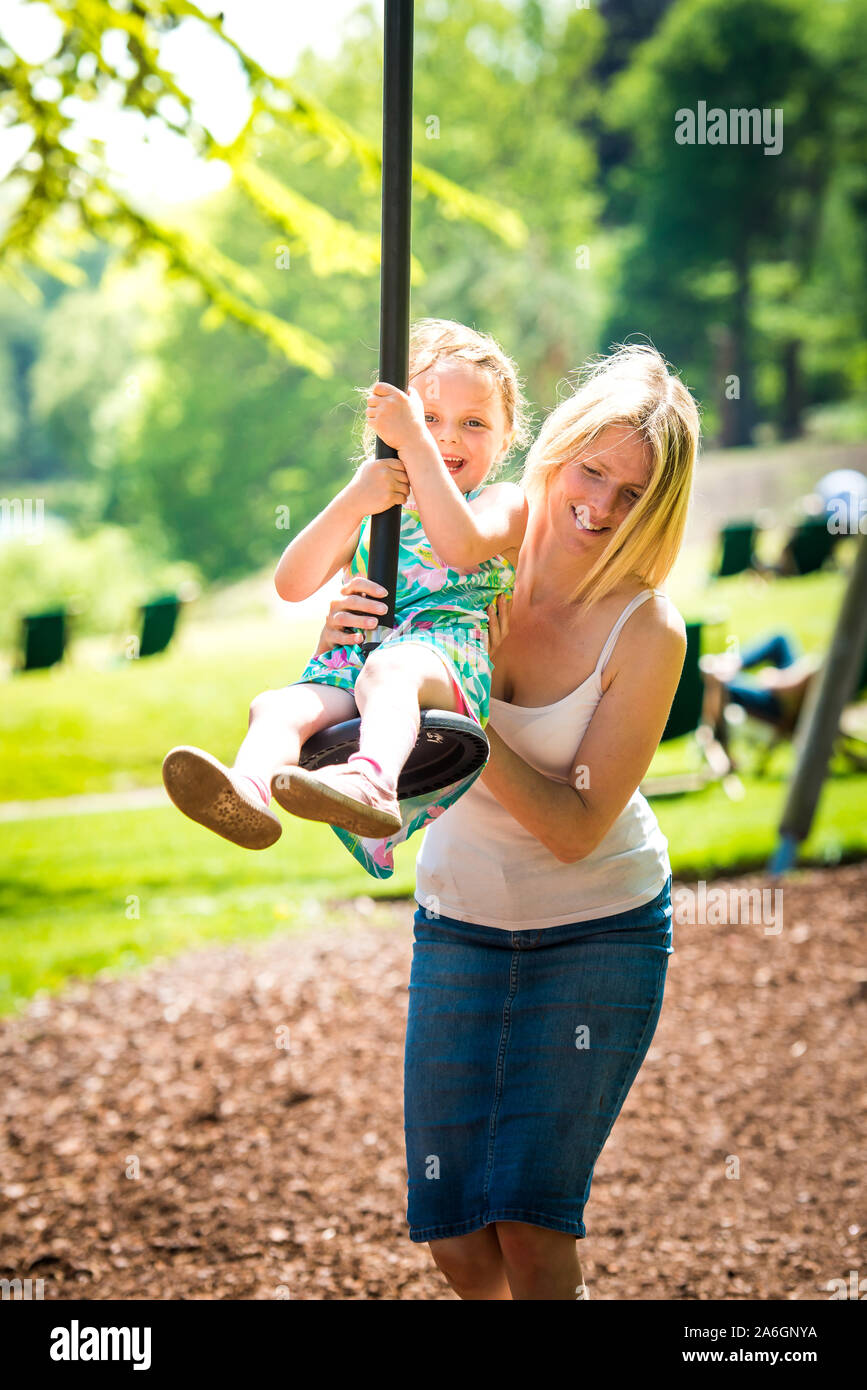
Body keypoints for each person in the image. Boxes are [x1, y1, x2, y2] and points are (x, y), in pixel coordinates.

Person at [314, 343, 700, 1300]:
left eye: (634, 494)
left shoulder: (645, 629)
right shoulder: (464, 558)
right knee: (454, 1239)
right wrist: (341, 646)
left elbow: (573, 825)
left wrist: (464, 723)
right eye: (592, 472)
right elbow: (362, 703)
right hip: (461, 924)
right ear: (556, 451)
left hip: (597, 930)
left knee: (530, 1224)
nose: (602, 506)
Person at [161, 320, 531, 877]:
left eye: (473, 423)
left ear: (507, 438)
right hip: (352, 658)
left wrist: (416, 442)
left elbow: (458, 547)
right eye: (428, 419)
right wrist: (355, 497)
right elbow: (292, 583)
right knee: (276, 706)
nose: (447, 437)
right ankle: (249, 792)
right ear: (386, 427)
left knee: (390, 670)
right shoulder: (379, 507)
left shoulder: (501, 502)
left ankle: (373, 784)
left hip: (441, 659)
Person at [700, 633, 822, 753]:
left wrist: (774, 678)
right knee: (780, 640)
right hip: (797, 693)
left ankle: (723, 669)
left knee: (721, 683)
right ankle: (730, 665)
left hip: (786, 707)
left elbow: (777, 686)